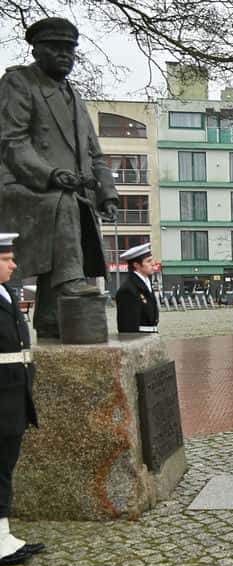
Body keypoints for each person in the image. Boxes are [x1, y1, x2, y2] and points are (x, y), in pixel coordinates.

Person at [0, 18, 119, 338]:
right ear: (36, 51)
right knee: (64, 204)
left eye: (70, 49)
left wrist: (107, 193)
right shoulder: (19, 83)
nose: (65, 55)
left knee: (76, 206)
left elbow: (95, 153)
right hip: (23, 186)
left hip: (66, 191)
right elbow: (12, 142)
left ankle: (51, 318)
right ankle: (70, 281)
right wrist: (50, 174)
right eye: (56, 48)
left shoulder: (74, 96)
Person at [0, 233, 43, 566]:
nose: (14, 265)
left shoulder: (6, 293)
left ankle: (3, 534)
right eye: (6, 259)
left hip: (13, 396)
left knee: (5, 466)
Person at [115, 242, 159, 334]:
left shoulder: (146, 284)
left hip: (151, 337)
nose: (153, 264)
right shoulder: (128, 290)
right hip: (139, 339)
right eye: (148, 261)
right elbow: (127, 328)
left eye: (152, 260)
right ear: (136, 265)